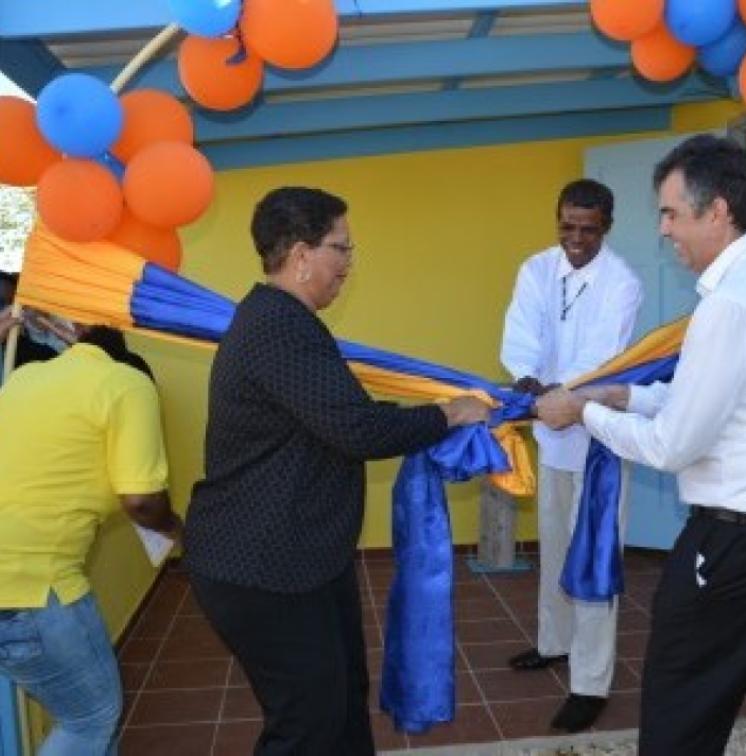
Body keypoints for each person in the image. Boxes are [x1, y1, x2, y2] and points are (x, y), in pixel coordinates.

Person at [536, 135, 746, 755]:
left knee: (682, 693)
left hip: (740, 541)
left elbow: (672, 446)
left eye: (671, 213)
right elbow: (711, 399)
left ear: (717, 212)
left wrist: (582, 411)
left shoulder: (732, 305)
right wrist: (624, 396)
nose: (663, 229)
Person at [183, 186, 489, 755]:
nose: (348, 263)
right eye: (341, 248)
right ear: (302, 255)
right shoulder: (277, 327)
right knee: (308, 723)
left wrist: (429, 412)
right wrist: (448, 414)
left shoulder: (284, 321)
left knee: (343, 699)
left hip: (301, 558)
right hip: (260, 565)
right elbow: (358, 428)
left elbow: (337, 415)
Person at [500, 178, 642, 732]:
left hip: (597, 438)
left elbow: (599, 361)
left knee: (594, 557)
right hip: (551, 431)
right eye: (567, 226)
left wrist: (554, 396)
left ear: (608, 227)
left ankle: (590, 682)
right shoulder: (537, 269)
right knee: (555, 547)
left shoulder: (622, 282)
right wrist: (528, 381)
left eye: (588, 229)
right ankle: (554, 642)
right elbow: (522, 335)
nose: (576, 239)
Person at [0, 324, 179, 756]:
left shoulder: (24, 377)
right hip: (33, 588)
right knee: (91, 720)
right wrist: (176, 530)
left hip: (17, 589)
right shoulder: (128, 383)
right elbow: (141, 500)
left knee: (90, 721)